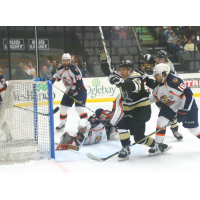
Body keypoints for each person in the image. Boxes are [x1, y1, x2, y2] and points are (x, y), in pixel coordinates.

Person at [99, 49, 168, 161]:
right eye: (120, 70)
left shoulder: (136, 77)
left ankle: (125, 148)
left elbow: (134, 87)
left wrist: (119, 81)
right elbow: (108, 72)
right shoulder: (123, 78)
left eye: (124, 70)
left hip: (142, 111)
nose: (121, 72)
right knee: (139, 138)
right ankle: (157, 145)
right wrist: (103, 60)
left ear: (130, 70)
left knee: (121, 125)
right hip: (131, 111)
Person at [141, 63, 200, 155]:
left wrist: (184, 111)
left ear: (163, 74)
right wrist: (143, 102)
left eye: (156, 75)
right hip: (171, 105)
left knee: (194, 130)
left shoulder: (174, 81)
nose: (155, 77)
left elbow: (188, 95)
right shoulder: (157, 83)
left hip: (186, 105)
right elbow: (156, 96)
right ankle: (158, 145)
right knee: (161, 121)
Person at [139, 50, 182, 141]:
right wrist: (145, 56)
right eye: (157, 58)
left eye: (160, 59)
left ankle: (175, 130)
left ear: (165, 60)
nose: (158, 60)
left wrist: (147, 78)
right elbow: (151, 58)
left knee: (170, 114)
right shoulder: (160, 62)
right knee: (164, 111)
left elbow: (160, 83)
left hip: (169, 91)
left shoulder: (168, 68)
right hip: (159, 91)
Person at [50, 53, 88, 131]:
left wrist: (72, 91)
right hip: (69, 91)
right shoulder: (60, 69)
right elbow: (56, 76)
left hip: (80, 90)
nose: (66, 62)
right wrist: (51, 80)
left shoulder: (75, 69)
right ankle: (62, 124)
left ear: (70, 61)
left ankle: (86, 124)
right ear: (62, 61)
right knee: (63, 108)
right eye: (64, 61)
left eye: (67, 60)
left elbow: (79, 83)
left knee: (79, 108)